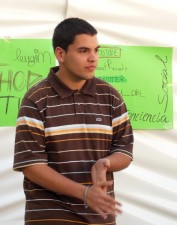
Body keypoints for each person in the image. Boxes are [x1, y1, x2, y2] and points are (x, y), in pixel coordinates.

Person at [13, 17, 134, 225]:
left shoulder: (110, 96)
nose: (93, 58)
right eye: (83, 51)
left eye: (96, 50)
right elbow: (31, 166)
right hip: (51, 218)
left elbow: (125, 150)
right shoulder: (36, 99)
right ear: (60, 54)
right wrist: (85, 193)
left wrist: (106, 163)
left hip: (100, 219)